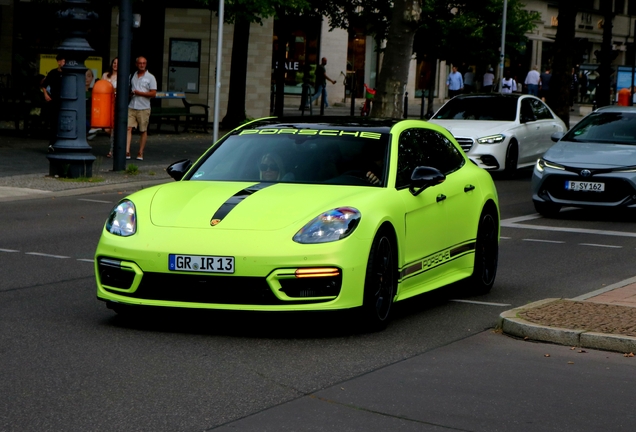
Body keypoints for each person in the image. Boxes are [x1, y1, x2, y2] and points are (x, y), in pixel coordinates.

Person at [126, 56, 157, 161]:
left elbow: (153, 93)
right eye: (140, 63)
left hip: (144, 107)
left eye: (144, 63)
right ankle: (127, 150)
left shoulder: (150, 77)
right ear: (136, 64)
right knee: (128, 128)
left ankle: (140, 152)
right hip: (132, 105)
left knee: (142, 130)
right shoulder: (132, 76)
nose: (142, 65)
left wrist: (140, 93)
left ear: (146, 64)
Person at [41, 54, 65, 147]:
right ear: (58, 62)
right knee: (54, 122)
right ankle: (52, 144)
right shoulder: (53, 73)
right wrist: (46, 94)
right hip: (54, 100)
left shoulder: (68, 74)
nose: (64, 63)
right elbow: (44, 84)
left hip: (64, 100)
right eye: (63, 61)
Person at [102, 57, 118, 158]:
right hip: (106, 102)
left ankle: (112, 150)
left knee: (113, 128)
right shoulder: (105, 75)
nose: (115, 65)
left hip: (115, 103)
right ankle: (116, 143)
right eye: (114, 63)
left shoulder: (121, 76)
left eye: (117, 63)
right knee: (107, 129)